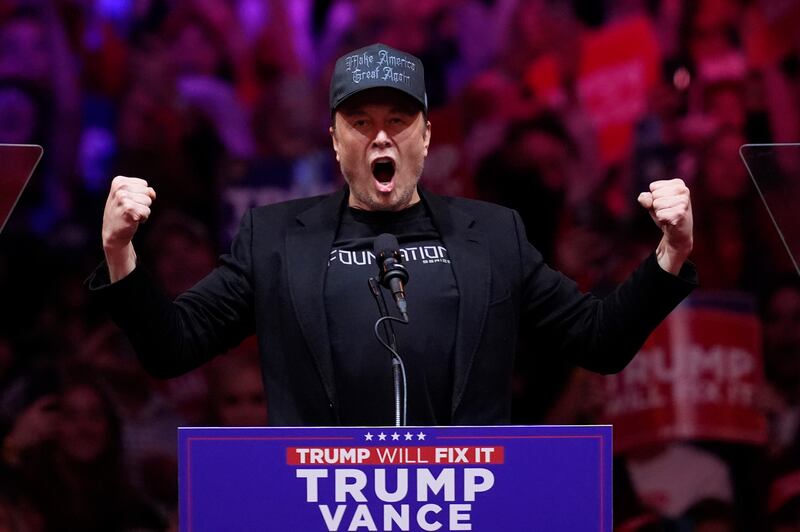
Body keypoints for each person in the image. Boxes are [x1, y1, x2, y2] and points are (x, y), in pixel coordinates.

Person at [88, 43, 697, 427]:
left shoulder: (493, 233)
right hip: (316, 511)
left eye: (398, 121)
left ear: (426, 136)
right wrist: (120, 253)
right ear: (334, 139)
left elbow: (599, 341)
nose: (381, 138)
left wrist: (669, 255)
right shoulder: (274, 238)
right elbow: (171, 348)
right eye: (360, 122)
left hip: (462, 509)